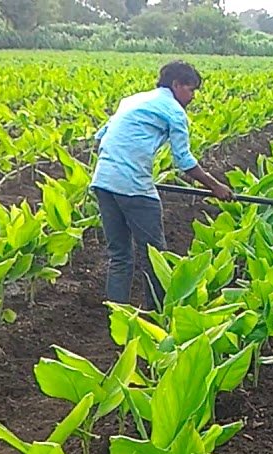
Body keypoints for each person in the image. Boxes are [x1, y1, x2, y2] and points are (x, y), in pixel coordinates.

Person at [91, 60, 234, 310]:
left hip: (103, 180)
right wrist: (216, 187)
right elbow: (184, 161)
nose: (193, 97)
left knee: (120, 255)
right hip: (134, 186)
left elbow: (100, 137)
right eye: (191, 90)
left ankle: (117, 315)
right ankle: (160, 315)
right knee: (156, 257)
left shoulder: (132, 100)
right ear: (176, 85)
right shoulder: (174, 110)